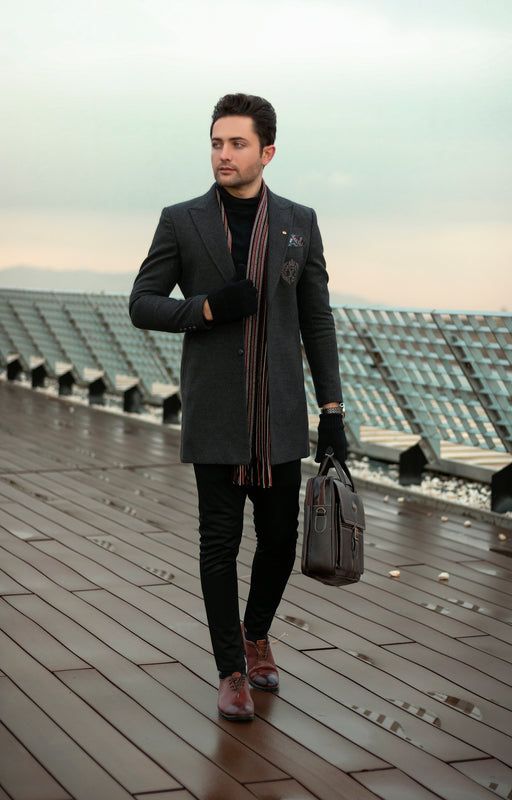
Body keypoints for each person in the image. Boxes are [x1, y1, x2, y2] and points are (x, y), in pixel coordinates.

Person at [129, 93, 347, 721]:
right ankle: (231, 670)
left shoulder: (299, 222)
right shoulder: (182, 220)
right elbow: (142, 302)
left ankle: (257, 636)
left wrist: (332, 410)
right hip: (216, 415)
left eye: (237, 144)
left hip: (279, 416)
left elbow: (316, 320)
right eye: (216, 143)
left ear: (267, 152)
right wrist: (204, 308)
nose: (223, 154)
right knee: (219, 544)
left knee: (279, 541)